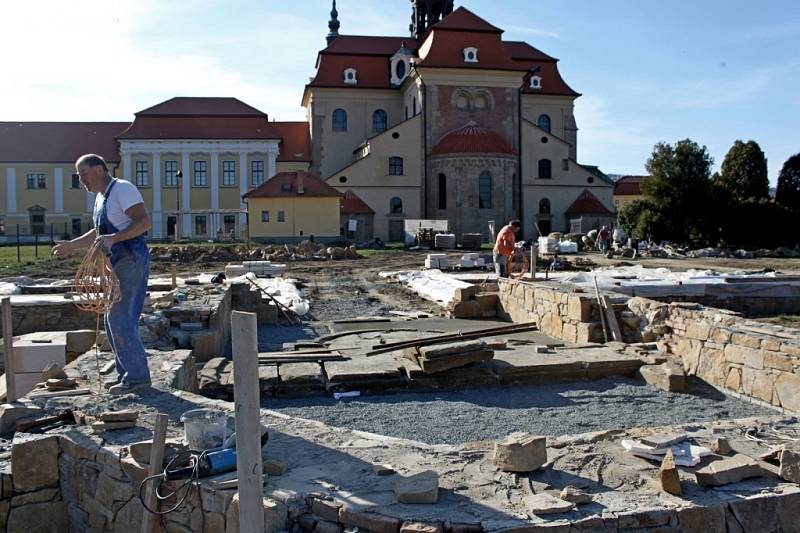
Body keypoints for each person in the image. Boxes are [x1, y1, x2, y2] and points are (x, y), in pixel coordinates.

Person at [52, 154, 152, 395]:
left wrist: (114, 238)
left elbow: (144, 221)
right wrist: (72, 246)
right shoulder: (100, 198)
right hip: (118, 261)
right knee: (111, 319)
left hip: (131, 258)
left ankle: (137, 378)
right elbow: (98, 233)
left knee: (120, 317)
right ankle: (126, 374)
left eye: (83, 174)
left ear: (98, 169)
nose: (81, 180)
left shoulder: (122, 189)